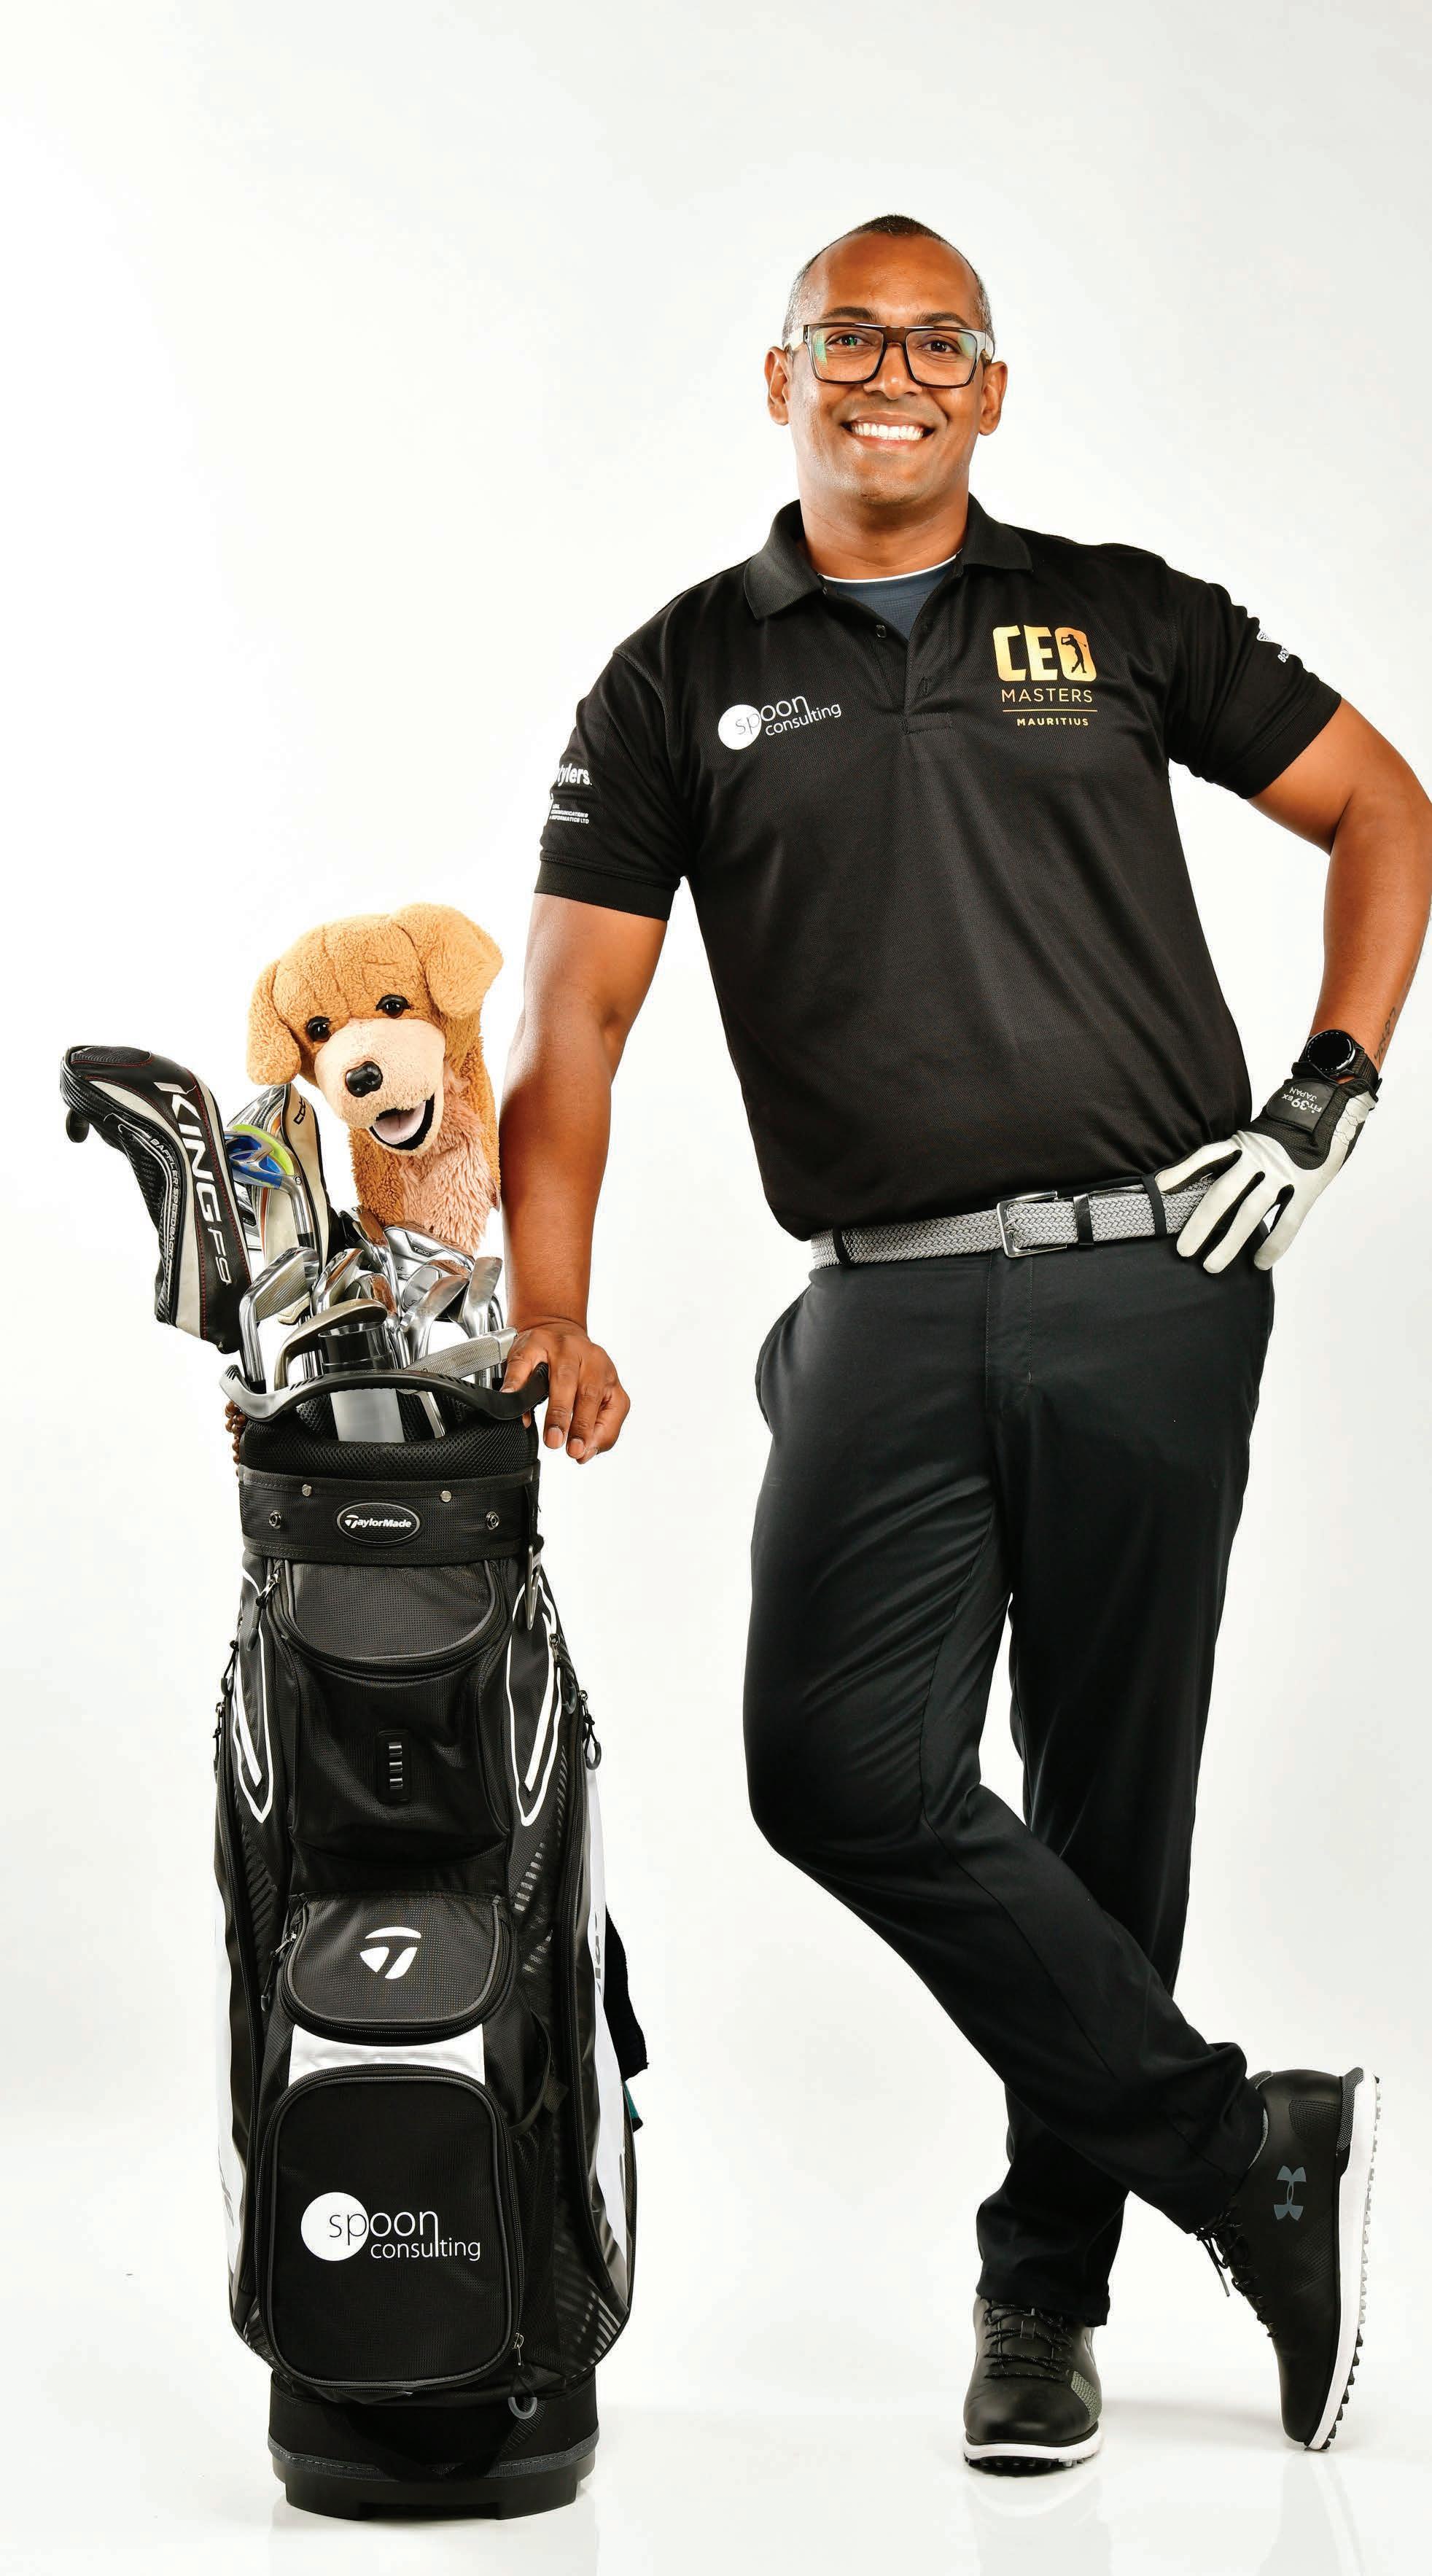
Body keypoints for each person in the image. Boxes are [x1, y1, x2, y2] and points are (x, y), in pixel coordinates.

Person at [498, 214, 1431, 2471]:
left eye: (938, 345)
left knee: (1112, 1804)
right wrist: (549, 1303)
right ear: (779, 378)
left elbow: (1380, 809)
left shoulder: (1116, 616)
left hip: (1147, 1280)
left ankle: (1043, 2304)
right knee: (835, 1772)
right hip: (881, 1295)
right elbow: (575, 1018)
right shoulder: (675, 677)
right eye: (849, 339)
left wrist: (1322, 1094)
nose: (890, 375)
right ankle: (1243, 2150)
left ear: (992, 390)